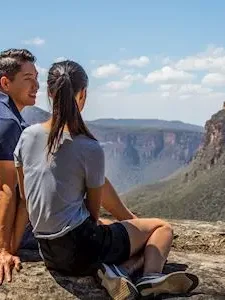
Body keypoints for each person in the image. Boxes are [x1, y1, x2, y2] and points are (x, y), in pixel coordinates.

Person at [12, 60, 199, 299]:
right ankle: (147, 275)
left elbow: (24, 197)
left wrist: (9, 248)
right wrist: (129, 223)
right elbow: (92, 214)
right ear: (84, 95)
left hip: (50, 253)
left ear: (49, 92)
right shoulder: (89, 147)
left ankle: (118, 271)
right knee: (162, 229)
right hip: (83, 250)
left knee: (111, 226)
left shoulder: (27, 136)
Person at [0, 48, 142, 286]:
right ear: (5, 83)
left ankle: (127, 220)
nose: (35, 85)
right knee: (112, 229)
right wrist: (5, 250)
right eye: (28, 79)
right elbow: (5, 189)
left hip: (39, 225)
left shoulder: (18, 124)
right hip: (37, 234)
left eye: (37, 78)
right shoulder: (9, 123)